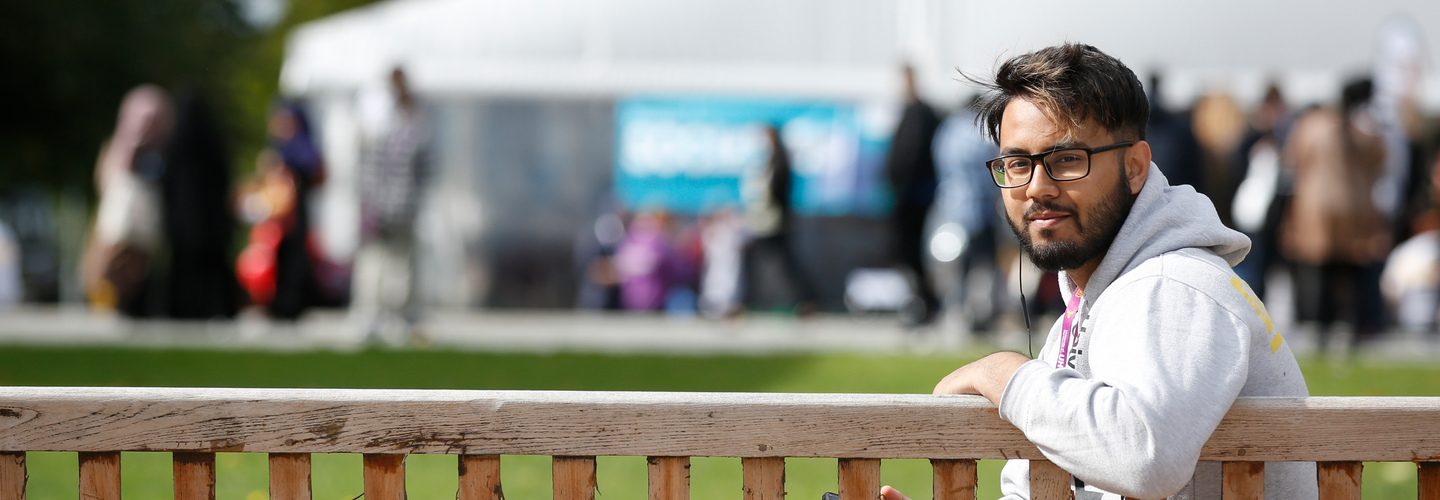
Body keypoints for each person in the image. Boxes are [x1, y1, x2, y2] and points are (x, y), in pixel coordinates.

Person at [880, 43, 1312, 500]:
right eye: (1018, 163)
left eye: (1067, 160)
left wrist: (1003, 373)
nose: (1036, 188)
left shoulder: (1173, 286)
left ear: (1135, 167)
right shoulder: (1098, 295)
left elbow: (1145, 459)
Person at [1280, 78, 1390, 353]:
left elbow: (1292, 162)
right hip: (1355, 207)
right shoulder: (1365, 128)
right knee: (1349, 272)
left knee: (1318, 270)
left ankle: (1319, 327)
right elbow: (1381, 162)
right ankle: (1346, 327)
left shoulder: (1311, 124)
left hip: (1315, 206)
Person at [350, 67, 431, 344]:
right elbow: (423, 173)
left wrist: (371, 203)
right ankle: (389, 319)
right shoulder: (414, 132)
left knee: (378, 263)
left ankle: (374, 318)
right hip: (400, 209)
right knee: (395, 265)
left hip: (383, 207)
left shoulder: (384, 130)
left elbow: (368, 170)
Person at [885, 65, 944, 326]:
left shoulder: (921, 113)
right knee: (904, 252)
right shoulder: (910, 112)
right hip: (906, 197)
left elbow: (913, 157)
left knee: (912, 250)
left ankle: (927, 302)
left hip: (915, 197)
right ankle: (924, 300)